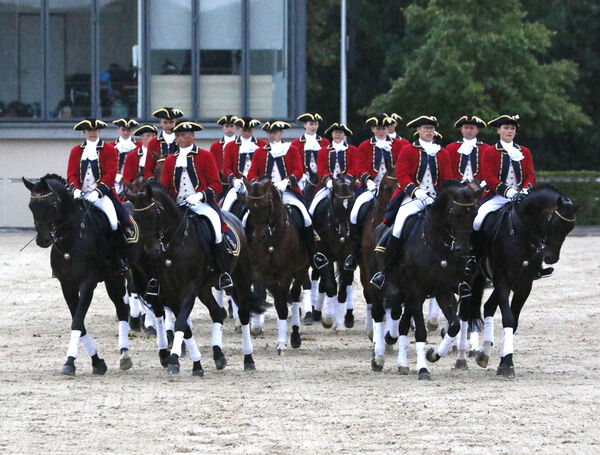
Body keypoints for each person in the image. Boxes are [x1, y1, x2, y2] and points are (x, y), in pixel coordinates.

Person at [370, 115, 452, 289]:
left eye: (431, 128)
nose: (429, 131)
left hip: (436, 199)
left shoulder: (442, 152)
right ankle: (386, 270)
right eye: (425, 128)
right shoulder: (408, 150)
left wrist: (442, 195)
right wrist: (416, 191)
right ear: (418, 130)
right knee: (399, 226)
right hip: (412, 198)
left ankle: (456, 272)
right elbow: (402, 175)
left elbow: (447, 178)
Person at [160, 120, 232, 290]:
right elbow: (165, 187)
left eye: (184, 134)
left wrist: (200, 195)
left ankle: (223, 272)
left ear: (192, 136)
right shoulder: (170, 160)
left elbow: (216, 185)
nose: (180, 138)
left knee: (216, 227)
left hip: (201, 204)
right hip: (178, 206)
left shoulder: (205, 156)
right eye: (178, 135)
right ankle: (157, 275)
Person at [248, 121, 328, 270]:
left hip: (288, 192)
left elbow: (298, 170)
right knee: (248, 217)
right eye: (270, 132)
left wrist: (287, 182)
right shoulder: (260, 152)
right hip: (266, 195)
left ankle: (314, 254)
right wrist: (257, 185)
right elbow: (252, 172)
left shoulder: (291, 149)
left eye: (276, 132)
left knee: (305, 217)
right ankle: (246, 251)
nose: (273, 135)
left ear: (281, 133)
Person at [67, 119, 137, 273]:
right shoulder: (76, 151)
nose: (92, 133)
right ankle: (63, 258)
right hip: (80, 195)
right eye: (89, 130)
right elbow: (71, 174)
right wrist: (75, 189)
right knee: (64, 220)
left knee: (113, 222)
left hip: (101, 196)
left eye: (95, 130)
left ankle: (119, 257)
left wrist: (97, 192)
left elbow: (110, 175)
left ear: (99, 131)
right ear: (84, 132)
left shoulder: (109, 150)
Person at [344, 114, 402, 270]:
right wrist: (367, 180)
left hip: (395, 188)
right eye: (378, 128)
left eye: (383, 128)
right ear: (373, 129)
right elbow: (359, 167)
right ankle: (354, 252)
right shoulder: (364, 146)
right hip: (372, 186)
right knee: (355, 212)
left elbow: (403, 167)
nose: (381, 131)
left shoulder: (398, 145)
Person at [308, 122, 359, 215]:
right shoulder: (323, 151)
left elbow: (355, 167)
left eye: (340, 132)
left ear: (344, 134)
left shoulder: (352, 149)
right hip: (328, 186)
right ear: (331, 134)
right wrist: (328, 181)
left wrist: (346, 180)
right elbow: (321, 169)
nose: (338, 135)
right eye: (335, 132)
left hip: (348, 186)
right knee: (312, 209)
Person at [222, 117, 266, 212]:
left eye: (249, 130)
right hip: (238, 185)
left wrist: (258, 182)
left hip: (257, 184)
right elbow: (226, 168)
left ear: (252, 129)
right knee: (225, 209)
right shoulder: (230, 146)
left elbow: (264, 167)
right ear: (239, 129)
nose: (246, 132)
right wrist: (234, 180)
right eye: (244, 130)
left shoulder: (262, 144)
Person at [291, 112, 330, 191]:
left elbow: (327, 162)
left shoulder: (325, 142)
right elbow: (294, 164)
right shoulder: (296, 143)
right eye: (311, 124)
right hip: (303, 179)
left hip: (322, 179)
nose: (314, 127)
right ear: (305, 125)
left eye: (316, 124)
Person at [145, 107, 185, 179]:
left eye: (171, 122)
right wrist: (151, 179)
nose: (168, 126)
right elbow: (148, 168)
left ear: (175, 122)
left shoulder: (183, 140)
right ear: (160, 122)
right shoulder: (153, 142)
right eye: (165, 122)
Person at [445, 115, 488, 182]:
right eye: (466, 128)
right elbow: (447, 170)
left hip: (479, 187)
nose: (468, 130)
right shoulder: (451, 148)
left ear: (477, 130)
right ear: (461, 130)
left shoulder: (486, 148)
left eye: (472, 128)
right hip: (456, 187)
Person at [210, 115, 238, 197]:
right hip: (221, 180)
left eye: (232, 126)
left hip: (237, 178)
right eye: (227, 126)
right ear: (223, 128)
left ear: (236, 127)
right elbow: (212, 165)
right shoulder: (215, 146)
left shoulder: (241, 145)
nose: (229, 129)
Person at [111, 118, 141, 198]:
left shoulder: (139, 146)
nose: (126, 133)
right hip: (114, 183)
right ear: (118, 129)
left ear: (132, 130)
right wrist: (117, 177)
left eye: (129, 130)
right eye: (123, 130)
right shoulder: (110, 147)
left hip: (133, 185)